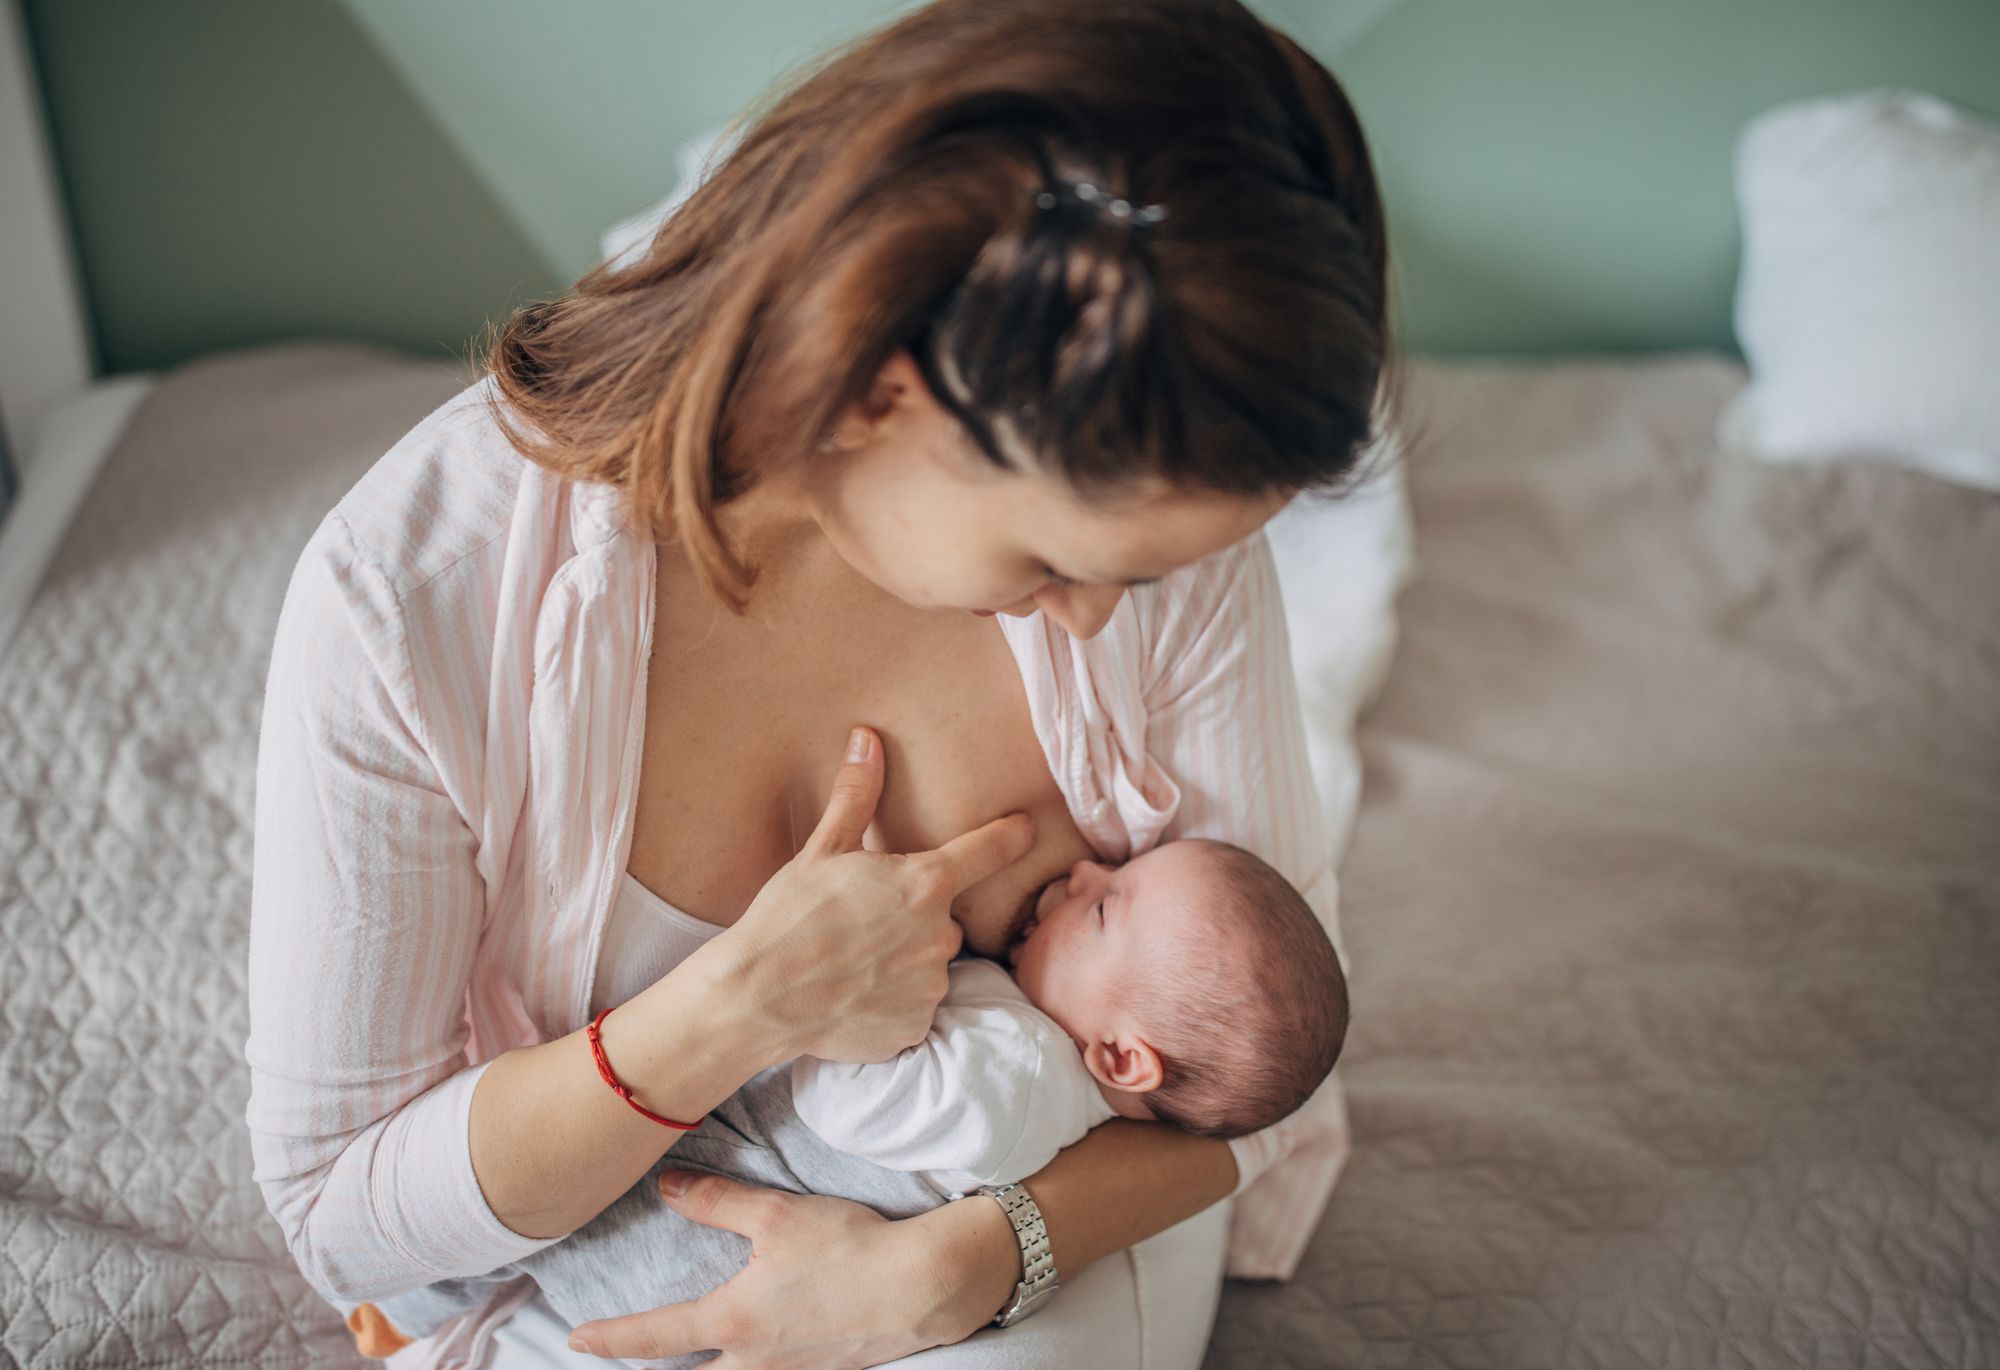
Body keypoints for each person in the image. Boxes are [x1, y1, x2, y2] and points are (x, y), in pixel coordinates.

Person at [243, 0, 1401, 1365]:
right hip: (608, 1241)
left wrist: (958, 1265)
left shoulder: (1156, 530)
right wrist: (737, 1004)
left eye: (1139, 576)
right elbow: (343, 1218)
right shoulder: (408, 602)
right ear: (868, 388)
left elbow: (1251, 1086)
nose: (1098, 617)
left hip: (1042, 1216)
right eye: (1052, 557)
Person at [356, 839, 1352, 1365]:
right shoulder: (1042, 1061)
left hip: (716, 1224)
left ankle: (402, 1303)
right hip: (731, 1253)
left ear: (1123, 1054)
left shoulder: (1007, 1069)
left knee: (561, 1208)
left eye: (1104, 905)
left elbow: (844, 1108)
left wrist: (845, 995)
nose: (1086, 867)